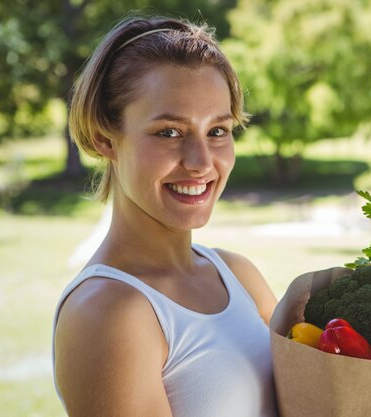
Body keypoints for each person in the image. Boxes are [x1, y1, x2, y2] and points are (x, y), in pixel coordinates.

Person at [52, 15, 279, 417]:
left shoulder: (238, 275)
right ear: (103, 138)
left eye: (218, 131)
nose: (201, 162)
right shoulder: (107, 311)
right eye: (169, 132)